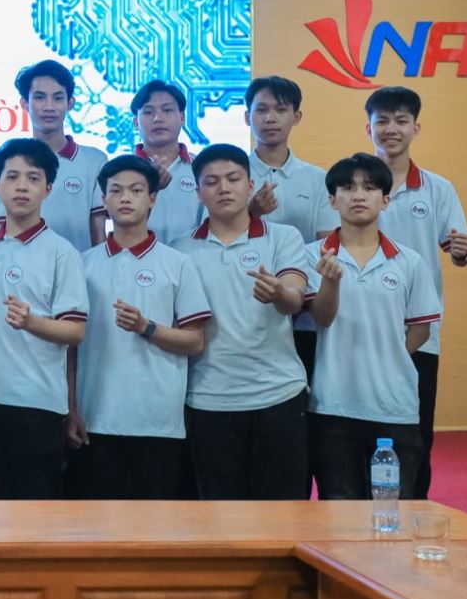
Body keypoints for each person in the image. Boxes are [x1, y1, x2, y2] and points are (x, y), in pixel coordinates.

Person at [66, 156, 211, 500]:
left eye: (135, 190)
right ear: (104, 201)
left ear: (153, 198)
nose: (125, 198)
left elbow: (195, 341)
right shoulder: (82, 264)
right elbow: (71, 348)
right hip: (95, 420)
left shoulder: (177, 263)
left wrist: (147, 327)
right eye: (116, 191)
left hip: (158, 423)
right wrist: (71, 410)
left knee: (155, 524)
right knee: (97, 523)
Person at [176, 145, 311, 501]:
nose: (224, 188)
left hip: (278, 394)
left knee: (284, 511)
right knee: (220, 516)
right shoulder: (180, 251)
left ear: (250, 186)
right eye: (212, 182)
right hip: (208, 399)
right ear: (198, 192)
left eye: (233, 179)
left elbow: (295, 298)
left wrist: (279, 293)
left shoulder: (283, 237)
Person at [305, 153, 440, 501]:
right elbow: (320, 317)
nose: (359, 195)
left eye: (369, 187)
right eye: (348, 188)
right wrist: (330, 282)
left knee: (393, 511)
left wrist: (388, 355)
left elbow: (421, 329)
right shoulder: (311, 257)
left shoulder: (409, 261)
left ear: (386, 199)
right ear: (332, 200)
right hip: (332, 405)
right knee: (339, 509)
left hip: (394, 406)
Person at [0, 139, 87, 501]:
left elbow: (75, 330)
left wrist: (33, 323)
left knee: (34, 511)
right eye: (12, 177)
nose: (22, 186)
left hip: (37, 404)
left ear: (48, 189)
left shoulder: (62, 253)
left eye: (33, 178)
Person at [364, 86, 467, 500]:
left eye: (401, 120)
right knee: (360, 427)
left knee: (416, 429)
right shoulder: (353, 184)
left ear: (415, 128)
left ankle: (412, 506)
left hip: (419, 332)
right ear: (369, 128)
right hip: (360, 329)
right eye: (382, 120)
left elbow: (457, 251)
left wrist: (461, 252)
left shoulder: (438, 189)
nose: (391, 129)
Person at [244, 76, 338, 380]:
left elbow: (327, 247)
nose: (270, 118)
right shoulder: (232, 176)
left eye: (281, 109)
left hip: (302, 314)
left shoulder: (317, 179)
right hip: (243, 306)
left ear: (296, 116)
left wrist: (299, 298)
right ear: (247, 117)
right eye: (261, 110)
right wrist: (251, 213)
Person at [14, 60, 107, 250]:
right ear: (25, 103)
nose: (49, 107)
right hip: (23, 267)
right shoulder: (10, 162)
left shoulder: (95, 161)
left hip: (79, 266)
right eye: (40, 97)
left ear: (70, 103)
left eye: (58, 98)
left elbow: (98, 233)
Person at [131, 80, 200, 245]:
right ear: (136, 123)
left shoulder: (202, 168)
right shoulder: (122, 172)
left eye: (167, 110)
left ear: (182, 118)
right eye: (148, 112)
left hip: (196, 259)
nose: (158, 118)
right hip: (138, 259)